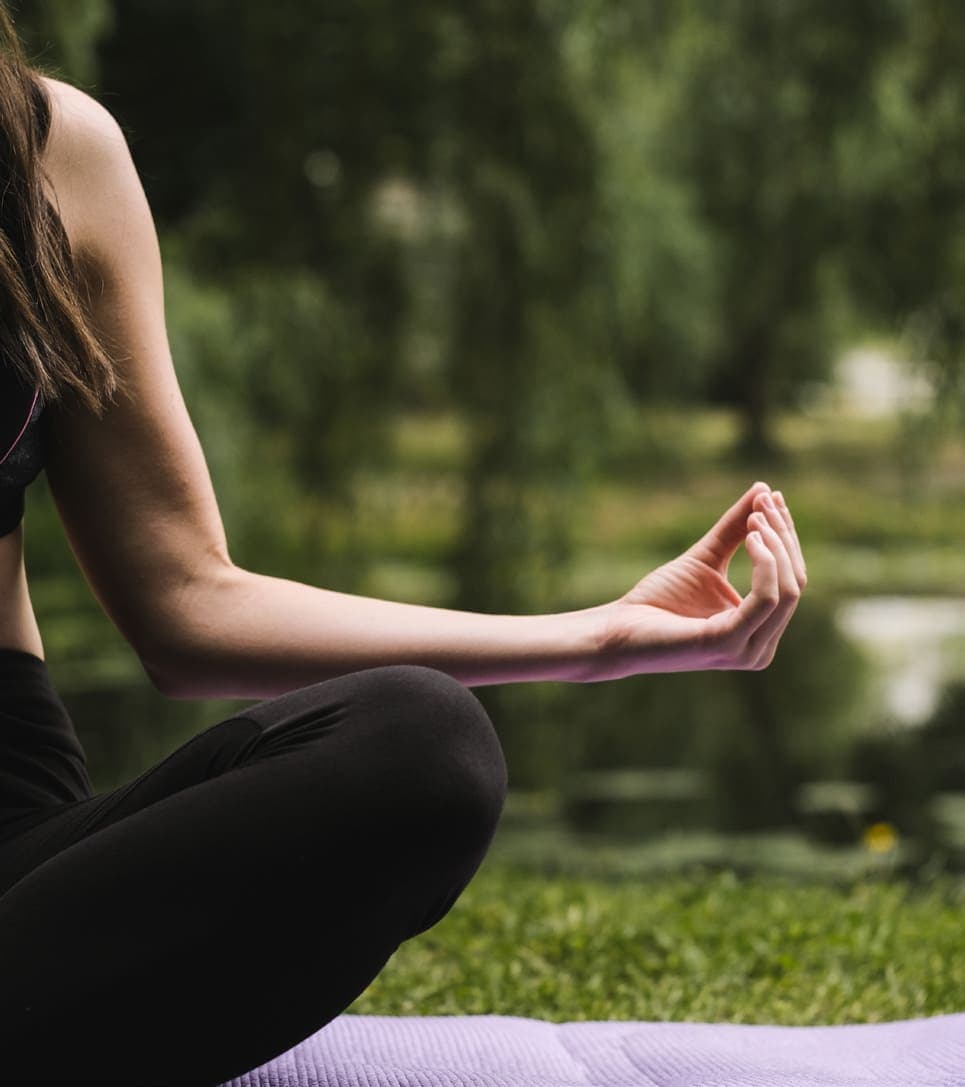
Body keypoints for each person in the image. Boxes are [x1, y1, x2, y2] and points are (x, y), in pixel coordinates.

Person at [0, 17, 807, 1087]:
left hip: (20, 861)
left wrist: (596, 637)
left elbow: (188, 603)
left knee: (420, 745)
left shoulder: (53, 155)